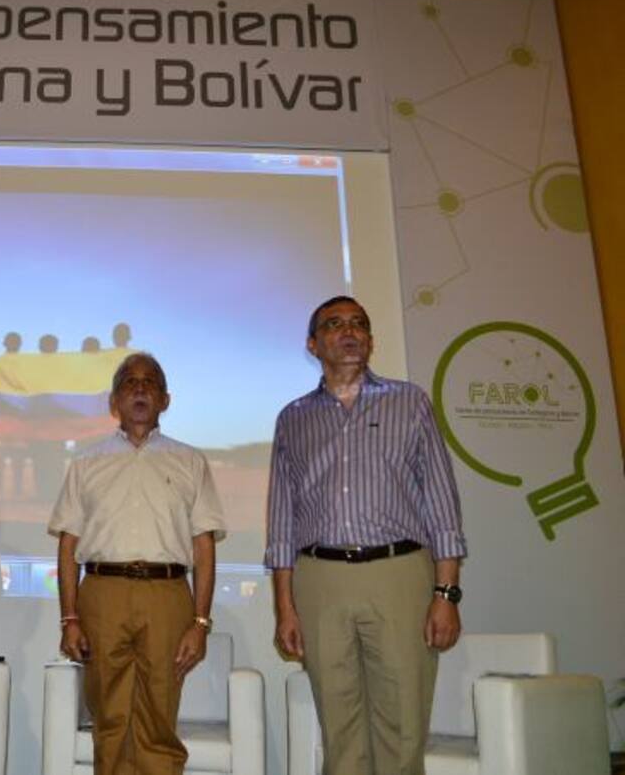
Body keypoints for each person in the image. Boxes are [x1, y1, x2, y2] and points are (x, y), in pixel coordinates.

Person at [266, 296, 467, 775]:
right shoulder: (293, 418)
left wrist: (446, 592)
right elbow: (281, 520)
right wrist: (285, 606)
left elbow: (442, 503)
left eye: (358, 323)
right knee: (340, 729)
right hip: (320, 580)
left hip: (399, 574)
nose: (348, 331)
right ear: (314, 344)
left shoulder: (410, 401)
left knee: (402, 725)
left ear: (371, 340)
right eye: (334, 325)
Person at [49, 352, 227, 774]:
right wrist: (68, 618)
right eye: (129, 382)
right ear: (114, 401)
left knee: (158, 720)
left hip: (167, 594)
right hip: (102, 594)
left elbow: (203, 546)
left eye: (151, 382)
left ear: (165, 399)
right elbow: (68, 545)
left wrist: (201, 623)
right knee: (108, 718)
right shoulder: (86, 463)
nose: (140, 388)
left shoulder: (190, 461)